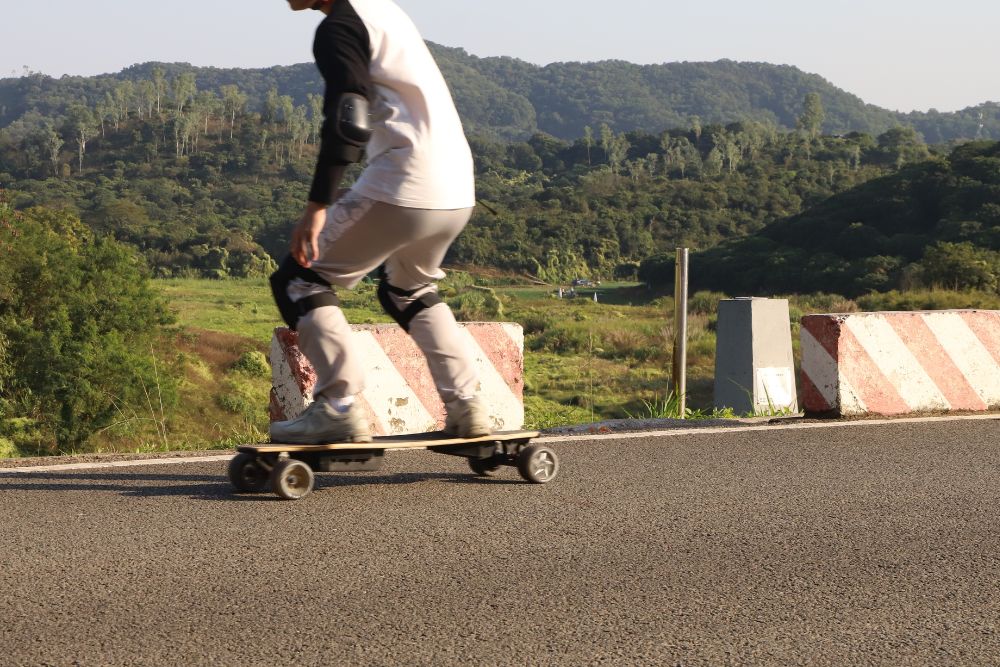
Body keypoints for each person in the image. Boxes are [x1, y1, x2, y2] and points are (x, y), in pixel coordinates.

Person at [269, 0, 491, 444]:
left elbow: (349, 120)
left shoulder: (339, 28)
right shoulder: (384, 12)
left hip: (404, 181)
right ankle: (468, 407)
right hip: (456, 185)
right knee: (408, 290)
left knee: (299, 279)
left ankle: (338, 407)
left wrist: (317, 205)